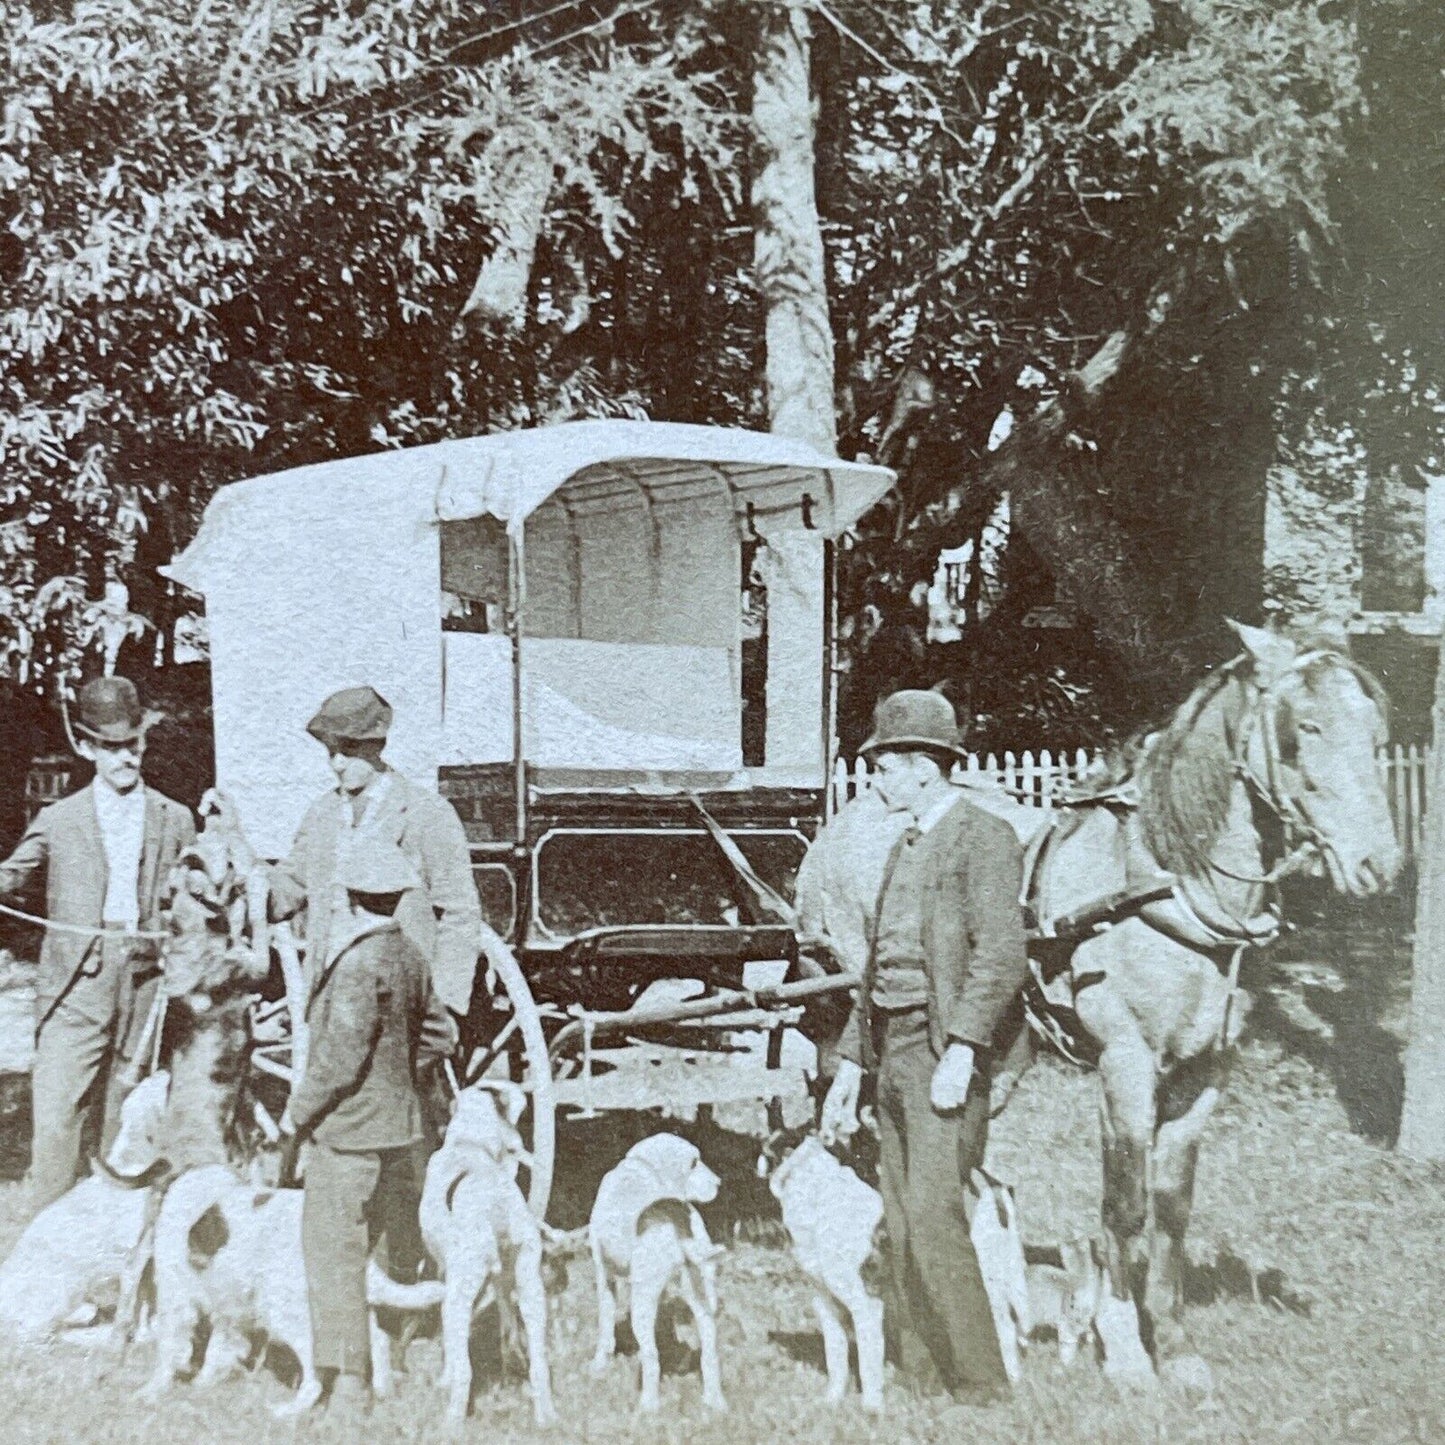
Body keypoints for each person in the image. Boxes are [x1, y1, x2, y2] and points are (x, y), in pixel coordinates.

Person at [819, 688, 1029, 1403]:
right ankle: (919, 1370)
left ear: (925, 768)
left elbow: (1000, 955)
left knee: (936, 1209)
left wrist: (965, 1049)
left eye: (885, 765)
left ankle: (983, 1381)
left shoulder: (984, 838)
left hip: (941, 1050)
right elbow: (876, 964)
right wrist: (849, 1060)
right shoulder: (903, 844)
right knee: (901, 1214)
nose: (875, 777)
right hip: (890, 1045)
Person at [0, 677, 195, 1208]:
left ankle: (114, 1246)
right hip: (75, 987)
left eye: (132, 744)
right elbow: (11, 876)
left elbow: (194, 900)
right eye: (111, 748)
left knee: (126, 1114)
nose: (125, 758)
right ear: (86, 748)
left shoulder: (176, 819)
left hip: (146, 982)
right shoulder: (58, 820)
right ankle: (45, 1251)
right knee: (59, 1115)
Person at [285, 833, 458, 1411]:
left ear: (351, 898)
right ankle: (389, 1363)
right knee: (385, 1247)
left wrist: (296, 1115)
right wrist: (400, 1074)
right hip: (401, 1129)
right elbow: (442, 1035)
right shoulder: (410, 955)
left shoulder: (357, 963)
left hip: (348, 1134)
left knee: (333, 1252)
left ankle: (348, 1387)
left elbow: (337, 1061)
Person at [212, 684, 483, 1019]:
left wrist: (444, 1005)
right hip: (331, 1002)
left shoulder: (425, 813)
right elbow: (285, 893)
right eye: (331, 751)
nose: (337, 764)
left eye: (349, 750)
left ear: (377, 746)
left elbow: (459, 913)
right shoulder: (323, 813)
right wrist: (236, 842)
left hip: (403, 1003)